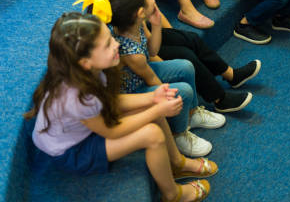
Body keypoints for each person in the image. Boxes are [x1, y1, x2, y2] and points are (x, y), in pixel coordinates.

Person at [24, 12, 216, 202]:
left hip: (84, 129)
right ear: (85, 61)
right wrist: (156, 110)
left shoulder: (88, 71)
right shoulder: (77, 96)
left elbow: (111, 100)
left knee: (152, 110)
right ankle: (173, 194)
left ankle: (176, 163)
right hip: (73, 152)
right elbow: (111, 131)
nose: (116, 44)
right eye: (107, 45)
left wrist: (152, 97)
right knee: (152, 135)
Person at [95, 0, 261, 113]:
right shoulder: (119, 6)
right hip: (135, 56)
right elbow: (146, 55)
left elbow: (151, 19)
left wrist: (173, 35)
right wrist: (171, 64)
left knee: (191, 39)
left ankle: (231, 75)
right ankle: (220, 99)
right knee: (185, 55)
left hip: (144, 36)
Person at [79, 0, 225, 158]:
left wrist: (156, 25)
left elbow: (153, 51)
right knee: (183, 91)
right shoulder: (129, 51)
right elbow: (152, 80)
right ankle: (178, 134)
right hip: (133, 90)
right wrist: (170, 94)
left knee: (186, 66)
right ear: (140, 12)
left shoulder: (136, 24)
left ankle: (193, 113)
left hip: (143, 75)